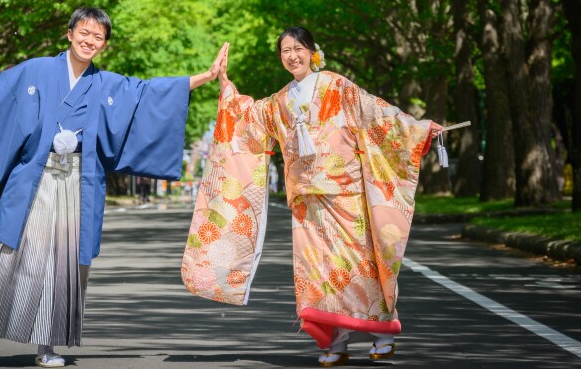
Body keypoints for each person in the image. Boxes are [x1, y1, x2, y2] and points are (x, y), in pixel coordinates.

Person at [0, 7, 227, 369]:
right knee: (2, 256)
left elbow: (149, 92)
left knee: (64, 265)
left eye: (98, 37)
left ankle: (47, 344)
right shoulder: (36, 70)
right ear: (70, 33)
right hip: (35, 174)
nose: (89, 40)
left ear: (104, 44)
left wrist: (207, 75)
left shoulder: (107, 84)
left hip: (78, 180)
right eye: (84, 32)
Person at [181, 27, 442, 367]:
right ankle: (335, 340)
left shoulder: (336, 85)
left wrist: (418, 128)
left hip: (345, 194)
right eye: (285, 51)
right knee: (316, 273)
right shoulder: (279, 102)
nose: (292, 55)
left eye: (298, 48)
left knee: (357, 266)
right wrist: (226, 86)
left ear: (312, 51)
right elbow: (246, 119)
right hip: (305, 200)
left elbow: (376, 115)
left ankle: (383, 333)